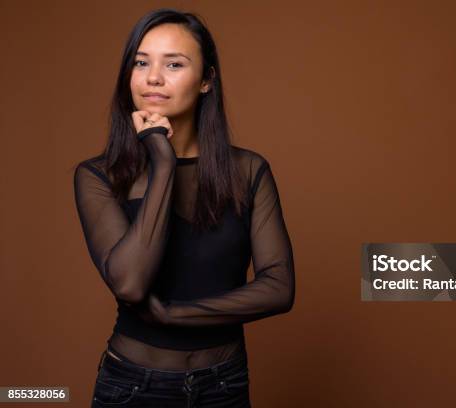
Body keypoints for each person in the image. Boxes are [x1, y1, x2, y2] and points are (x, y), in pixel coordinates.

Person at [73, 8, 295, 407]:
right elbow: (130, 283)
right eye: (141, 62)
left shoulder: (249, 170)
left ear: (207, 79)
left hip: (225, 386)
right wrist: (163, 161)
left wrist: (175, 315)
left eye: (174, 64)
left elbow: (279, 289)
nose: (153, 76)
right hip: (133, 388)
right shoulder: (98, 176)